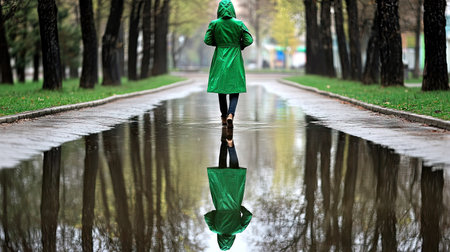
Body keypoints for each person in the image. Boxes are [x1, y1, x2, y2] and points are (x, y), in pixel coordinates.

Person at [204, 0, 253, 128]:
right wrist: (239, 46)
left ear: (219, 9)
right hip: (235, 56)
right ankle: (231, 114)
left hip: (220, 57)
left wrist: (219, 44)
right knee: (234, 87)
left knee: (221, 88)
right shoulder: (239, 24)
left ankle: (224, 117)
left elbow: (207, 40)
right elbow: (249, 39)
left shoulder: (214, 24)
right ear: (232, 10)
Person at [204, 128, 252, 251]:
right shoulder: (215, 228)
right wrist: (218, 213)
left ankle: (230, 144)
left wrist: (238, 208)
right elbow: (207, 216)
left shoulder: (238, 229)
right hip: (220, 198)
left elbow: (248, 215)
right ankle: (224, 140)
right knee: (221, 166)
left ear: (232, 241)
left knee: (235, 169)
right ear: (218, 239)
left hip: (235, 199)